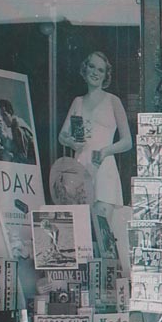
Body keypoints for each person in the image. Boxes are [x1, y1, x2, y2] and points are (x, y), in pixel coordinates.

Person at [58, 51, 133, 206]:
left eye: (100, 70)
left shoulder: (113, 101)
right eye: (92, 67)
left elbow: (127, 142)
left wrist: (105, 151)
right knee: (82, 222)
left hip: (104, 166)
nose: (95, 72)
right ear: (85, 69)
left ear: (106, 75)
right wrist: (72, 143)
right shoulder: (77, 102)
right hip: (81, 166)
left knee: (102, 224)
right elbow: (62, 136)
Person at [0, 98, 36, 164]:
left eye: (5, 115)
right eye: (1, 115)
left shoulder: (17, 128)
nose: (3, 119)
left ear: (10, 113)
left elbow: (23, 156)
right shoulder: (16, 123)